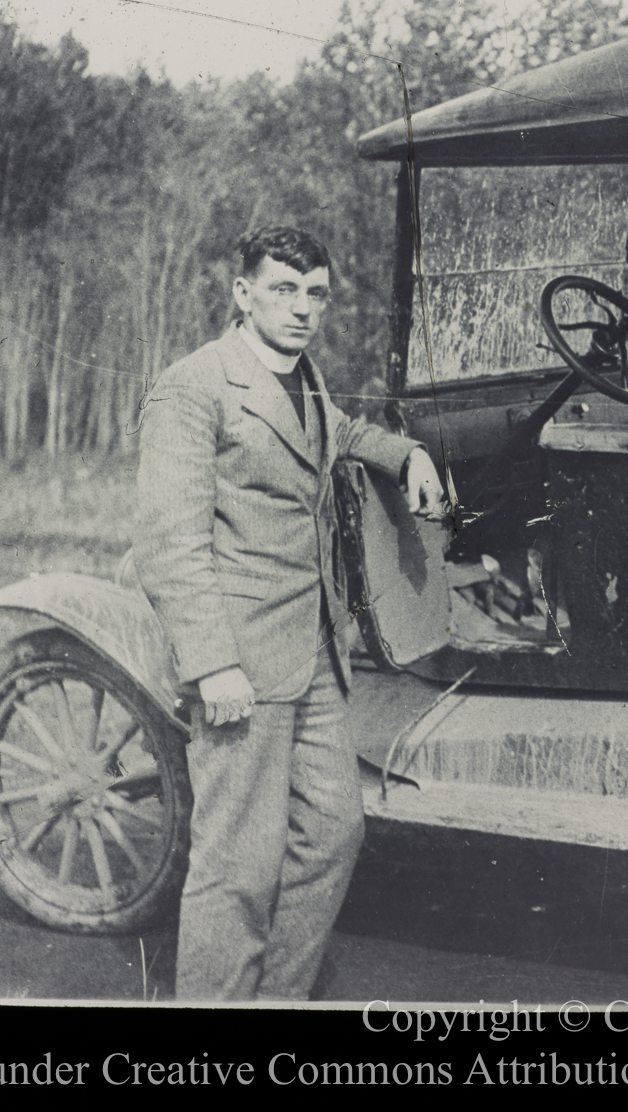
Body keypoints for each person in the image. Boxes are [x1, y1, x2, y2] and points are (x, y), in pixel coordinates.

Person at [135, 226, 446, 1001]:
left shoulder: (303, 380)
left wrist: (407, 455)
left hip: (313, 657)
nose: (303, 308)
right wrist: (212, 665)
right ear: (243, 294)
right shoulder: (193, 387)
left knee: (334, 833)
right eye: (284, 289)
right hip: (240, 664)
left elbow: (341, 434)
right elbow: (169, 545)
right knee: (238, 864)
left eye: (316, 294)